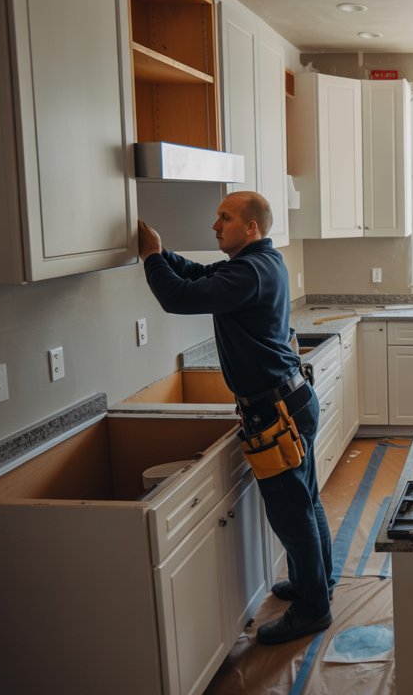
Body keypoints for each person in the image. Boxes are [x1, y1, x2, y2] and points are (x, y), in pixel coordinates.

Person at [138, 191, 334, 646]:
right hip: (291, 400)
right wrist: (162, 251)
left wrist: (150, 257)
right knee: (305, 503)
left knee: (292, 514)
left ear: (251, 228)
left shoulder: (248, 272)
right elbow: (198, 274)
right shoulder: (261, 263)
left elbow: (178, 296)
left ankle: (312, 609)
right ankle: (318, 583)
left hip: (275, 411)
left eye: (224, 218)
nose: (215, 225)